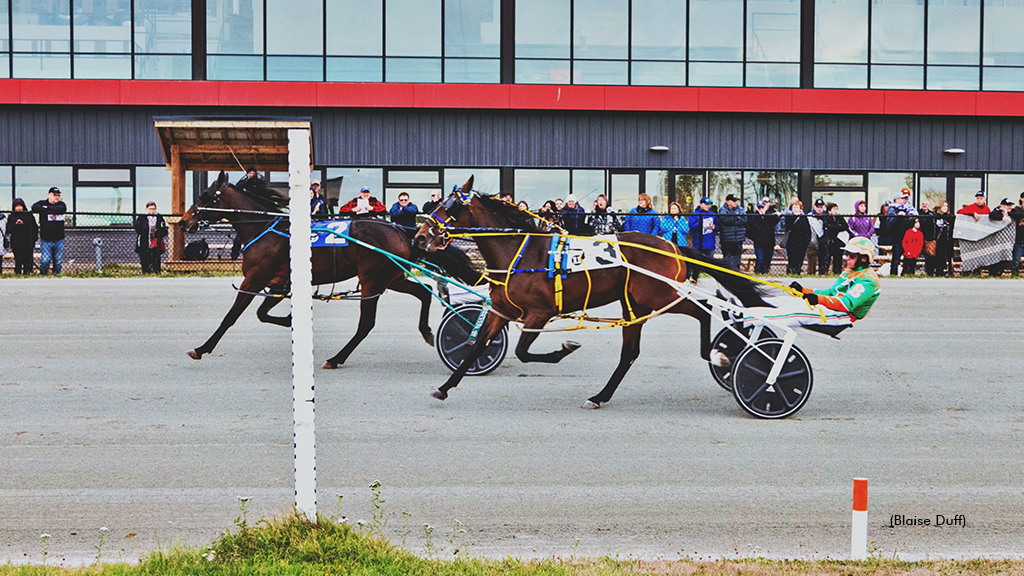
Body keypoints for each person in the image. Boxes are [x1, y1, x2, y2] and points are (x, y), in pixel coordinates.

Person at [710, 236, 882, 368]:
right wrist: (804, 292)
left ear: (864, 258)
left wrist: (817, 299)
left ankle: (746, 318)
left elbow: (847, 304)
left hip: (839, 316)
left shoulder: (867, 281)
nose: (846, 257)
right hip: (828, 309)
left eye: (851, 255)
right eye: (846, 254)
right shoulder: (849, 272)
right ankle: (739, 307)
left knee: (795, 312)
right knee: (783, 301)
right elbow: (830, 293)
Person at [32, 187, 67, 275]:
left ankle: (56, 276)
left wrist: (46, 208)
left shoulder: (61, 204)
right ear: (49, 195)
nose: (57, 197)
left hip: (59, 239)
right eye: (54, 195)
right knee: (45, 260)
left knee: (58, 261)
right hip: (46, 239)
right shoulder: (41, 203)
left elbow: (62, 209)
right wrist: (48, 208)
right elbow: (34, 207)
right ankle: (43, 275)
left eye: (58, 195)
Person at [886, 190, 918, 275]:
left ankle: (907, 273)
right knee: (896, 257)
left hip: (907, 237)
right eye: (902, 198)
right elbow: (889, 223)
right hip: (897, 237)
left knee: (908, 256)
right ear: (896, 199)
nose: (905, 200)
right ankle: (893, 273)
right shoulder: (892, 209)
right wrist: (897, 216)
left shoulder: (908, 208)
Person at [134, 201, 169, 274]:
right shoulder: (142, 217)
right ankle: (146, 271)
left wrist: (157, 230)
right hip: (145, 240)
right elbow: (137, 228)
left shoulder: (159, 217)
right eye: (150, 209)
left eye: (153, 209)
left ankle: (156, 270)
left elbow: (164, 229)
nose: (152, 211)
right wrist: (147, 229)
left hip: (156, 240)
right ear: (146, 209)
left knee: (156, 256)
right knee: (144, 256)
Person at [746, 198, 779, 274]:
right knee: (760, 260)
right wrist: (756, 238)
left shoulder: (770, 217)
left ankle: (766, 272)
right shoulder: (754, 218)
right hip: (759, 244)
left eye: (762, 207)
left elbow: (776, 220)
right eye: (759, 207)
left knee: (767, 260)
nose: (761, 209)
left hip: (769, 243)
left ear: (765, 208)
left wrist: (778, 216)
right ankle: (758, 273)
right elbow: (748, 231)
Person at [7, 198, 37, 274]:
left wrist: (33, 239)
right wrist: (16, 224)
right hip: (16, 243)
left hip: (27, 242)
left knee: (27, 259)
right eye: (16, 206)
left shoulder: (28, 215)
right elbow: (8, 229)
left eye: (20, 206)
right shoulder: (11, 216)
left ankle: (27, 272)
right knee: (18, 260)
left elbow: (34, 228)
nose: (19, 208)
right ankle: (18, 272)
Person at [717, 193, 747, 271]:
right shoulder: (722, 210)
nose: (735, 203)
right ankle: (727, 272)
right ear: (728, 201)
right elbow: (724, 220)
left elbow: (744, 220)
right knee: (727, 257)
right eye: (733, 201)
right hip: (727, 238)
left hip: (738, 238)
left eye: (736, 201)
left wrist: (732, 219)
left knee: (737, 257)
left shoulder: (740, 209)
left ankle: (736, 272)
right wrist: (737, 217)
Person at [823, 202, 850, 274]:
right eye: (834, 209)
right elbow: (828, 227)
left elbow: (845, 226)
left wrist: (837, 227)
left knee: (838, 258)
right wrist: (838, 227)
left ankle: (837, 272)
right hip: (829, 240)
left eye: (836, 209)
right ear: (829, 211)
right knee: (827, 258)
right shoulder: (826, 218)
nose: (836, 211)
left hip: (838, 241)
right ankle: (825, 272)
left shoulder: (839, 217)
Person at [785, 200, 810, 275]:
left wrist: (807, 240)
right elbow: (788, 227)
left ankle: (798, 271)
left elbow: (807, 230)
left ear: (800, 209)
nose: (795, 209)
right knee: (792, 258)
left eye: (797, 207)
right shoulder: (789, 217)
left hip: (802, 242)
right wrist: (794, 217)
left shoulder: (804, 218)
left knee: (800, 258)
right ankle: (791, 270)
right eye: (794, 207)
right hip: (792, 242)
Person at [932, 200, 953, 276]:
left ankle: (941, 271)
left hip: (946, 239)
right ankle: (933, 271)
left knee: (943, 255)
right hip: (936, 239)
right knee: (935, 255)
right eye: (943, 206)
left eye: (946, 206)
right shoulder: (934, 216)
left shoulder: (949, 217)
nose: (945, 208)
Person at [1013, 193, 1024, 276]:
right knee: (1016, 258)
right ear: (1021, 198)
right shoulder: (1017, 209)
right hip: (1018, 238)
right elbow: (1014, 214)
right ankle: (1015, 274)